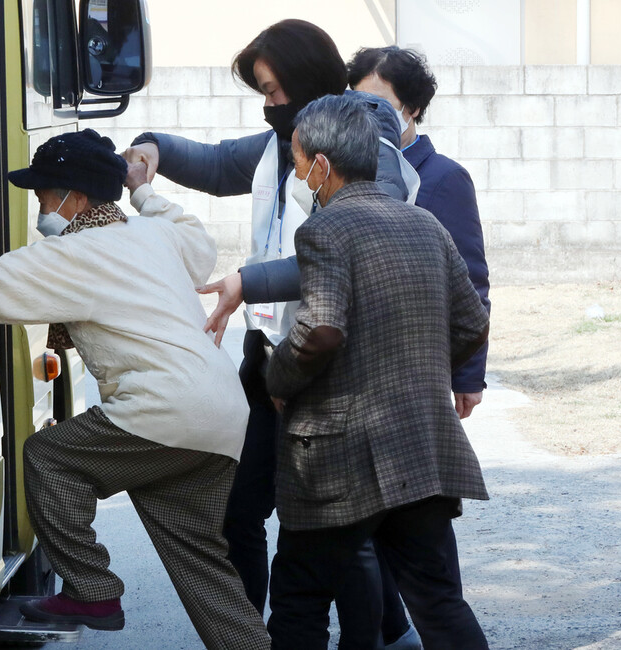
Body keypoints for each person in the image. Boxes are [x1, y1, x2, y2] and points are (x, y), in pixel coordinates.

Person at [123, 18, 416, 615]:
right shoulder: (279, 148)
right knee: (241, 506)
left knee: (333, 524)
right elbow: (212, 163)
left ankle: (379, 633)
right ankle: (250, 630)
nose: (267, 107)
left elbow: (354, 240)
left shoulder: (363, 146)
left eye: (273, 91)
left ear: (307, 83)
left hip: (326, 352)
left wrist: (246, 280)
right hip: (269, 353)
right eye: (260, 91)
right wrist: (153, 145)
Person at [0, 129, 269, 649]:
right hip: (220, 414)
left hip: (167, 410)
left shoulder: (79, 252)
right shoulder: (151, 233)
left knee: (49, 458)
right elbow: (197, 241)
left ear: (75, 198)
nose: (42, 209)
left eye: (44, 197)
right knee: (205, 572)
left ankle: (92, 591)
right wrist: (143, 189)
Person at [264, 92, 491, 649]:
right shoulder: (425, 226)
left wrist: (278, 379)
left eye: (297, 159)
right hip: (420, 447)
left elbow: (320, 331)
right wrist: (418, 372)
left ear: (321, 165)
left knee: (300, 600)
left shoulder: (324, 229)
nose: (295, 172)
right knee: (438, 602)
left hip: (336, 459)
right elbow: (471, 324)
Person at [347, 45, 491, 649]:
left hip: (413, 384)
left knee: (423, 559)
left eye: (378, 103)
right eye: (356, 101)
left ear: (412, 110)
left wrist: (468, 374)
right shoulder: (341, 176)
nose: (367, 116)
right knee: (365, 549)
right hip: (352, 390)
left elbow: (473, 284)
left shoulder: (443, 178)